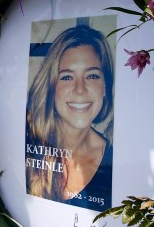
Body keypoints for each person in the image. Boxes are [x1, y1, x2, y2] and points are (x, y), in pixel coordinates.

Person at [25, 24, 114, 211]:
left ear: (105, 86)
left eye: (92, 76)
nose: (80, 89)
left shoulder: (115, 160)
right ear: (51, 87)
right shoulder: (29, 142)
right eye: (66, 77)